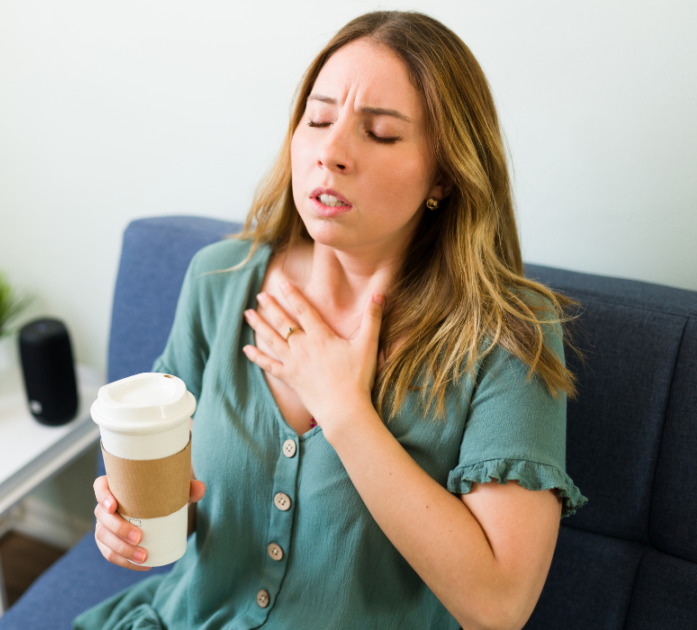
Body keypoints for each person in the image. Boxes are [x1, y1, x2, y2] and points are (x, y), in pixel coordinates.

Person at [77, 10, 586, 630]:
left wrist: (343, 408)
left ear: (446, 174)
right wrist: (131, 520)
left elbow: (499, 605)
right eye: (318, 119)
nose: (331, 151)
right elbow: (181, 506)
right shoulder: (217, 279)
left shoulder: (509, 334)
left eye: (380, 133)